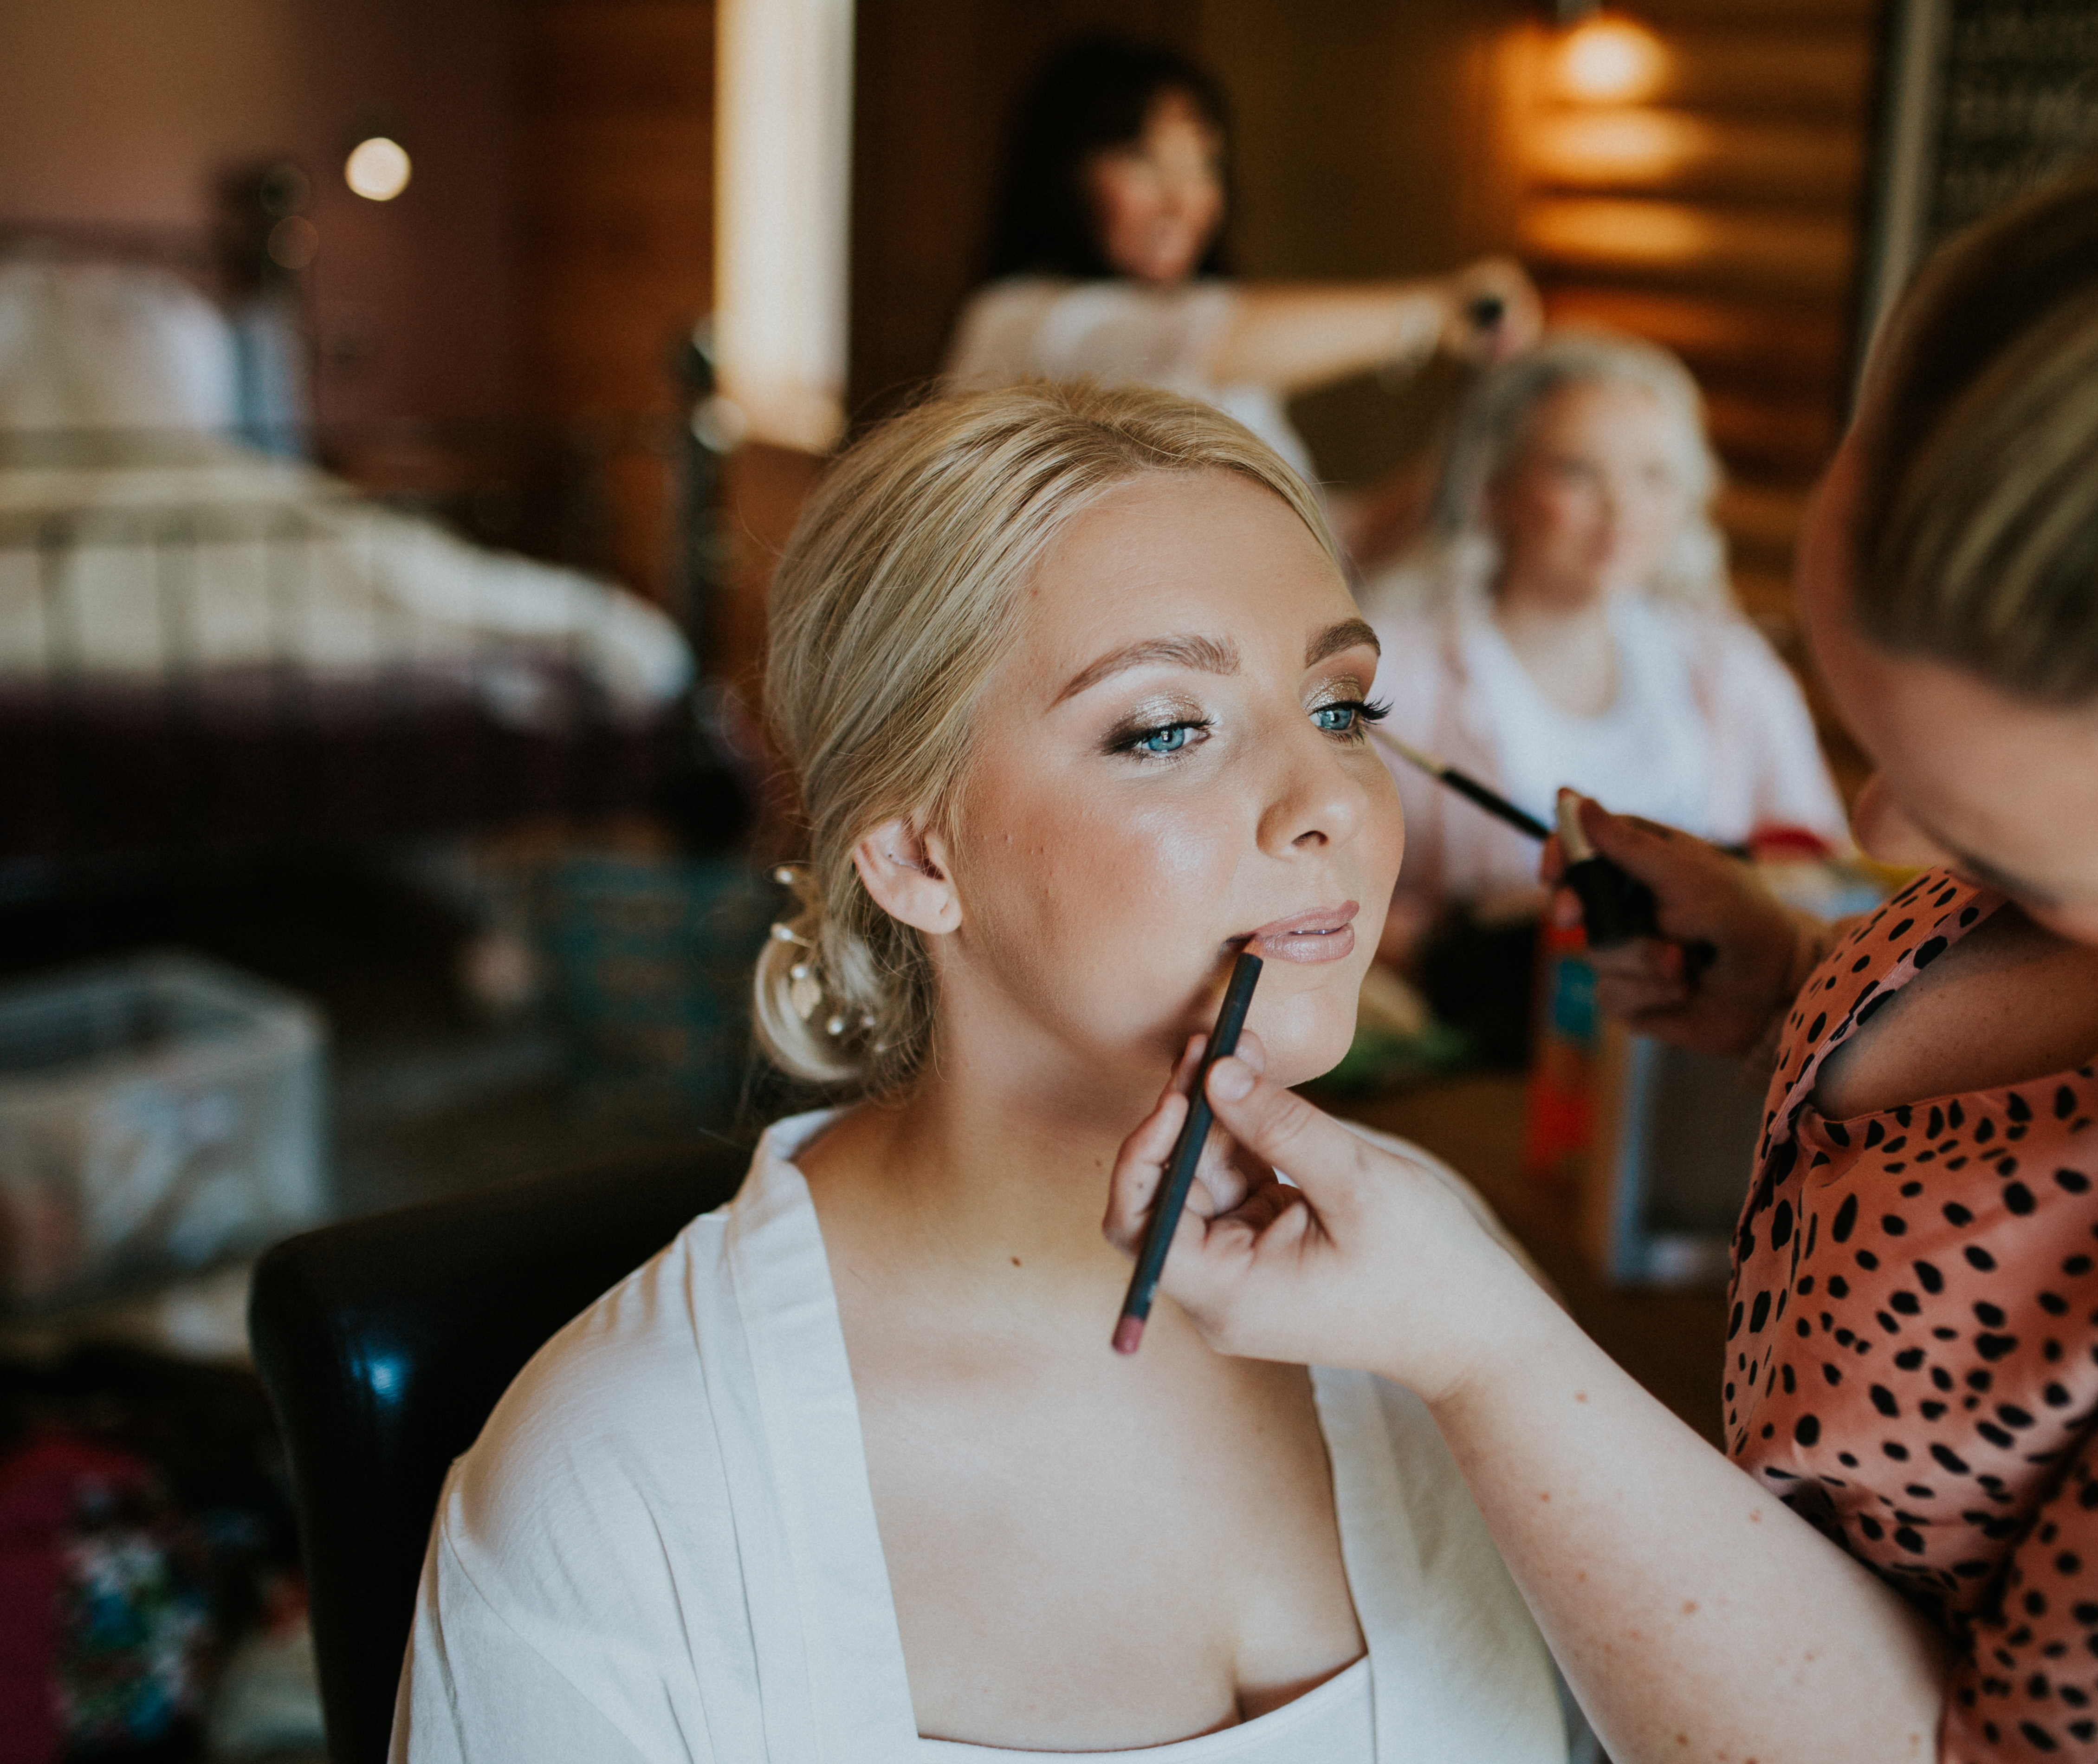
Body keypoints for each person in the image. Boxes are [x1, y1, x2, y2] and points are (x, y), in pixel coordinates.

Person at [1102, 3, 2098, 1760]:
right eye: (1858, 716)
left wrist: (1487, 1345)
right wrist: (1795, 975)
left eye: (2004, 858)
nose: (1883, 832)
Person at [391, 382, 1570, 1761]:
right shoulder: (616, 1491)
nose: (1327, 804)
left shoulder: (1436, 1276)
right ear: (915, 856)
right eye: (1165, 729)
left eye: (1340, 708)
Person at [941, 34, 1539, 564]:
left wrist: (1460, 478)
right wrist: (1440, 311)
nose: (1183, 200)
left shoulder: (1238, 370)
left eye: (1203, 163)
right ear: (1061, 175)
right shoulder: (1018, 320)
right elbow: (1203, 339)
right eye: (1144, 160)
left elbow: (1325, 541)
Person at [1366, 329, 1850, 970]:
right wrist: (1464, 948)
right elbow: (1321, 896)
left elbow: (1827, 872)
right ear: (1495, 486)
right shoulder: (1392, 670)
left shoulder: (1729, 666)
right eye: (1578, 471)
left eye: (1654, 476)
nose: (1621, 509)